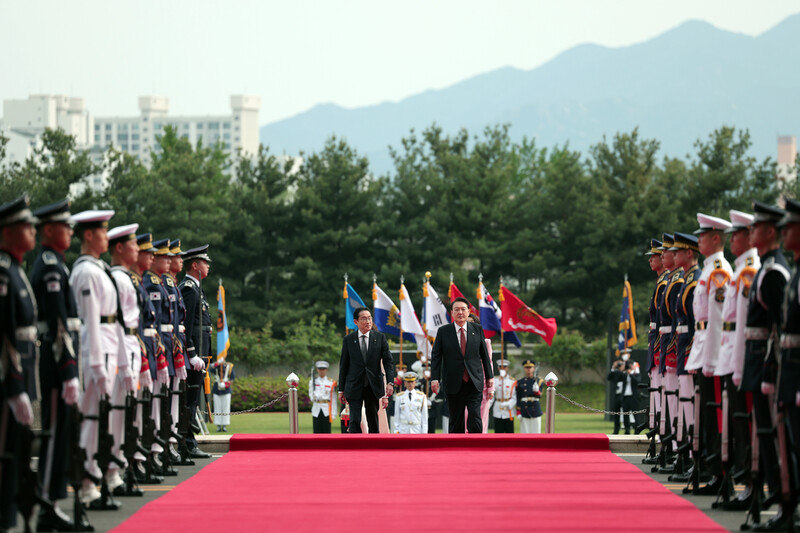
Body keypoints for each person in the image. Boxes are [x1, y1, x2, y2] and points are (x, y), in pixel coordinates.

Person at [29, 199, 82, 531]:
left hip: (58, 358)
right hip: (55, 359)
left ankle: (50, 500)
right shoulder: (50, 265)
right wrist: (69, 370)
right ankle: (45, 502)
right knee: (52, 434)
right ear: (49, 230)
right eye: (66, 226)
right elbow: (59, 324)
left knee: (60, 433)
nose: (70, 232)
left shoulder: (57, 264)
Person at [69, 209, 127, 507]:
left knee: (100, 419)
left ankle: (95, 476)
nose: (106, 236)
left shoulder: (99, 269)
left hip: (106, 350)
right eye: (102, 231)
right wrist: (95, 363)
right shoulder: (87, 272)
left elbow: (112, 320)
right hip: (94, 353)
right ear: (89, 235)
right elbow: (90, 321)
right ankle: (86, 482)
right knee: (91, 419)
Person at [741, 201, 790, 531]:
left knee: (776, 435)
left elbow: (779, 326)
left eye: (755, 227)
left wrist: (774, 367)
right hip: (758, 359)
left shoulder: (773, 272)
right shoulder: (764, 268)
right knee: (765, 432)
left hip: (769, 362)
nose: (751, 233)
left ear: (770, 232)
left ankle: (786, 501)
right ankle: (779, 497)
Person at [0, 194, 38, 532]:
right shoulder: (3, 272)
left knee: (16, 452)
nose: (32, 232)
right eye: (26, 227)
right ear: (8, 232)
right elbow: (4, 336)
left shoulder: (16, 270)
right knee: (5, 452)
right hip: (7, 379)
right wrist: (15, 387)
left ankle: (10, 517)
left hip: (21, 374)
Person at [718, 210, 760, 510]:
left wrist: (739, 364)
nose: (733, 240)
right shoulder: (739, 270)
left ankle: (749, 480)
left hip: (744, 358)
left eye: (737, 234)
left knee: (745, 424)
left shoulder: (749, 272)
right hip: (731, 354)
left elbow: (745, 324)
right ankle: (742, 478)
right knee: (736, 422)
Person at [107, 223, 147, 496]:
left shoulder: (127, 278)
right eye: (132, 244)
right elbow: (119, 324)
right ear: (119, 248)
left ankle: (118, 471)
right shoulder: (119, 279)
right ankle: (113, 473)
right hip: (121, 349)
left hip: (131, 347)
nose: (137, 248)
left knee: (125, 414)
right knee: (116, 414)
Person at [430, 297, 494, 434]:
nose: (460, 312)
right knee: (456, 418)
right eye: (457, 309)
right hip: (453, 382)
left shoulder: (477, 329)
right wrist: (434, 378)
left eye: (463, 309)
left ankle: (476, 447)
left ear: (468, 311)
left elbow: (484, 355)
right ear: (451, 312)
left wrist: (490, 377)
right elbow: (436, 357)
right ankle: (455, 450)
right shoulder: (443, 331)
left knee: (475, 417)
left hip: (474, 381)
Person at [178, 245, 212, 458]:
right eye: (205, 262)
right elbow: (187, 324)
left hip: (201, 352)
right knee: (190, 399)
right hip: (195, 353)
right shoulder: (189, 288)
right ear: (195, 265)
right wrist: (191, 353)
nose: (208, 265)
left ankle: (189, 442)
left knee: (194, 399)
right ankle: (187, 444)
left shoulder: (197, 287)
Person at [337, 306, 394, 433]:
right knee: (355, 420)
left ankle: (374, 449)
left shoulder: (380, 338)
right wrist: (341, 389)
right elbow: (344, 365)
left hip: (373, 385)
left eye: (369, 318)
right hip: (354, 385)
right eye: (364, 319)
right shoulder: (349, 340)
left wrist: (390, 382)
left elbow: (388, 362)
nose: (368, 321)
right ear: (356, 322)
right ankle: (354, 448)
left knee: (373, 419)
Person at [643, 238, 668, 443]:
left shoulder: (668, 282)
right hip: (658, 339)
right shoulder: (661, 282)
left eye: (654, 256)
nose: (651, 260)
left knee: (667, 394)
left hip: (665, 341)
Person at [309, 361, 336, 433]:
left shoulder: (331, 382)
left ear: (326, 370)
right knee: (316, 432)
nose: (322, 371)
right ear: (317, 370)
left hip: (326, 409)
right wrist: (314, 396)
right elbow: (311, 397)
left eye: (323, 369)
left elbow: (333, 399)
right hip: (316, 408)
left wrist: (334, 413)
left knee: (327, 432)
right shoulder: (313, 381)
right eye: (320, 369)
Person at [517, 359, 543, 433]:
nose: (528, 369)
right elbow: (518, 397)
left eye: (530, 367)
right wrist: (518, 411)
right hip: (524, 409)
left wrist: (536, 391)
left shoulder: (539, 381)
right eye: (526, 368)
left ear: (534, 368)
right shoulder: (520, 382)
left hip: (535, 408)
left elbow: (539, 395)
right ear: (524, 368)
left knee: (536, 432)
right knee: (524, 433)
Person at [210, 358, 236, 432]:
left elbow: (232, 378)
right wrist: (217, 364)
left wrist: (226, 384)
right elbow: (210, 370)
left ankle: (224, 426)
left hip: (226, 389)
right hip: (217, 389)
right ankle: (218, 426)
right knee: (217, 407)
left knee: (226, 408)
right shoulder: (215, 365)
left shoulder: (229, 366)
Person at [492, 359, 516, 433]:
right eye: (500, 367)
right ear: (498, 368)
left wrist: (509, 404)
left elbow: (514, 397)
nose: (503, 369)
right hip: (498, 408)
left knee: (509, 433)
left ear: (507, 368)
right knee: (498, 432)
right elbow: (492, 394)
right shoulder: (494, 380)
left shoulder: (512, 381)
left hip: (508, 409)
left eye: (504, 367)